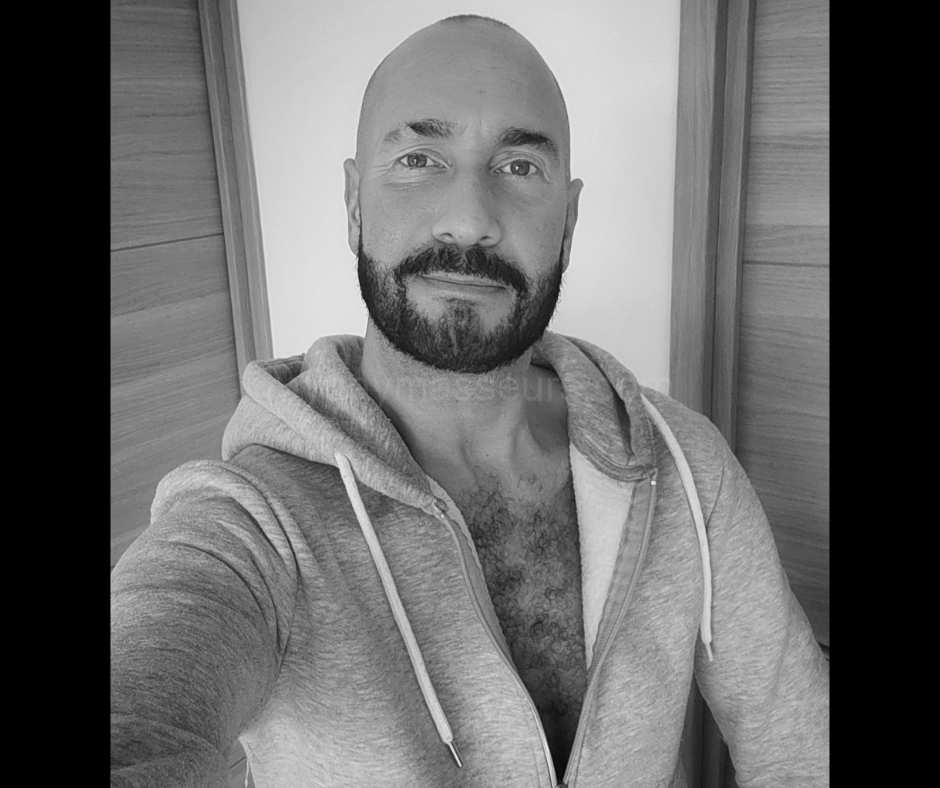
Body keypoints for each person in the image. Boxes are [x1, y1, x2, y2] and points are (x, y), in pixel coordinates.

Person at [110, 14, 829, 788]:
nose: (471, 220)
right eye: (419, 159)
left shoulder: (688, 468)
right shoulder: (253, 524)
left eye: (519, 166)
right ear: (354, 204)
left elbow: (795, 743)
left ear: (568, 223)